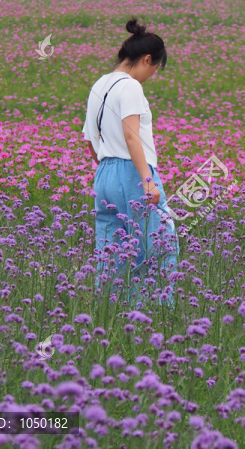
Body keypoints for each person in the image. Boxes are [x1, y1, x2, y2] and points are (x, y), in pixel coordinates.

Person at [82, 17, 179, 309]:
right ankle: (158, 315)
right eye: (154, 68)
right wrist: (147, 180)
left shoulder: (99, 85)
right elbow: (131, 136)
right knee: (159, 247)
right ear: (147, 59)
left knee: (110, 250)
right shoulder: (131, 87)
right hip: (133, 174)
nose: (151, 75)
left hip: (104, 173)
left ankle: (107, 313)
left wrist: (105, 164)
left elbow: (89, 138)